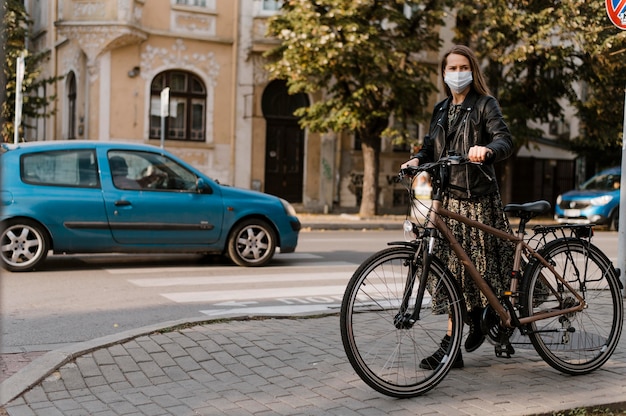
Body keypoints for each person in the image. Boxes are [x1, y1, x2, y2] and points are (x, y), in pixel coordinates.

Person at [401, 45, 514, 369]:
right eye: (451, 68)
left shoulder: (484, 104)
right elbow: (428, 147)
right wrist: (416, 159)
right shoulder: (440, 109)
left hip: (477, 198)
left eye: (463, 66)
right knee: (447, 272)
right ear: (444, 73)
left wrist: (487, 150)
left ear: (472, 71)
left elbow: (504, 139)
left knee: (480, 272)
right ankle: (456, 342)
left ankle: (480, 319)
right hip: (446, 197)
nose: (457, 73)